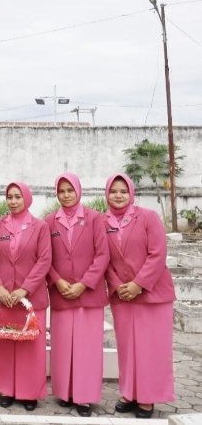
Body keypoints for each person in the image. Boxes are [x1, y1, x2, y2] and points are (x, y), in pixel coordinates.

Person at [104, 173, 176, 419]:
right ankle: (128, 394)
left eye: (123, 191)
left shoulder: (148, 217)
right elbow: (104, 258)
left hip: (153, 295)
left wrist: (138, 284)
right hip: (122, 296)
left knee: (151, 348)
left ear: (131, 193)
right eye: (113, 191)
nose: (118, 195)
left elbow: (157, 254)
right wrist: (118, 285)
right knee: (127, 347)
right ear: (107, 194)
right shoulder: (102, 222)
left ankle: (147, 398)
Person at [44, 173, 109, 417]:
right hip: (61, 293)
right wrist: (58, 281)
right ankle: (65, 392)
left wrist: (83, 284)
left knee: (87, 347)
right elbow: (45, 257)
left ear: (78, 191)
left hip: (88, 294)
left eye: (70, 190)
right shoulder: (50, 222)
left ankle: (84, 396)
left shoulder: (94, 218)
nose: (66, 195)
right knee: (62, 346)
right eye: (61, 191)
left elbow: (102, 255)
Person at [0, 182, 51, 411]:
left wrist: (24, 289)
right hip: (4, 296)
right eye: (9, 197)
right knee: (4, 342)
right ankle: (6, 389)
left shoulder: (40, 227)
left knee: (30, 347)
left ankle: (29, 392)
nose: (13, 201)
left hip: (30, 298)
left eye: (17, 197)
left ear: (27, 198)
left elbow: (44, 260)